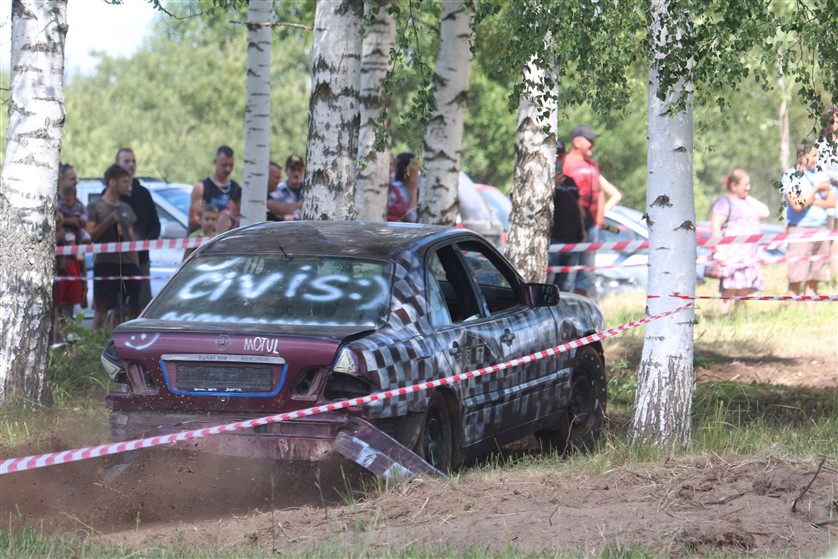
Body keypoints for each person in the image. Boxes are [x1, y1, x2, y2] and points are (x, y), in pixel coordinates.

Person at [86, 164, 142, 331]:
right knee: (101, 312)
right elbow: (90, 236)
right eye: (124, 181)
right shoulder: (95, 206)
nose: (128, 185)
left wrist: (136, 265)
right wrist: (108, 221)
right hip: (105, 264)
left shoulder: (126, 208)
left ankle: (117, 341)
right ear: (112, 182)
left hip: (127, 264)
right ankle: (95, 342)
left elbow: (132, 240)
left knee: (124, 310)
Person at [709, 169, 770, 313]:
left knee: (744, 290)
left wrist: (746, 196)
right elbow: (715, 226)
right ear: (733, 186)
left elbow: (765, 213)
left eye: (749, 184)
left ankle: (739, 318)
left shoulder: (746, 201)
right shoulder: (724, 202)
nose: (748, 187)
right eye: (745, 185)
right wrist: (719, 250)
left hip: (749, 255)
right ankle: (722, 318)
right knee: (729, 291)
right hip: (732, 255)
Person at [781, 143, 836, 297]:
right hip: (799, 229)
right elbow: (797, 205)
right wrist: (816, 190)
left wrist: (809, 200)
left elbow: (831, 203)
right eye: (813, 156)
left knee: (814, 279)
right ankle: (791, 310)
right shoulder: (790, 176)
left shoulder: (820, 175)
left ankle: (810, 310)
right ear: (801, 156)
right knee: (796, 277)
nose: (816, 159)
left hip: (821, 230)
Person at [115, 148, 161, 309]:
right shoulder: (110, 194)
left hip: (141, 259)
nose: (131, 165)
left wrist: (146, 241)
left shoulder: (143, 193)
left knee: (142, 303)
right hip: (117, 261)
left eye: (133, 161)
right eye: (126, 161)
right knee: (118, 306)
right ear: (117, 164)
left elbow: (155, 225)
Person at [562, 124, 604, 298]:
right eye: (589, 140)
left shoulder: (592, 165)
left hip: (591, 226)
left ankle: (581, 303)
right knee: (567, 270)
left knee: (587, 271)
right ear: (577, 142)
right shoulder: (565, 162)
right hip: (570, 227)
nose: (593, 144)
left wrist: (599, 218)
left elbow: (599, 191)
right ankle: (564, 302)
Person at [550, 140, 586, 292]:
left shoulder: (570, 181)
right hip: (554, 240)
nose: (558, 158)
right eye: (555, 155)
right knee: (549, 281)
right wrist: (552, 186)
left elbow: (579, 208)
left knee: (566, 284)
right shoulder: (544, 183)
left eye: (561, 155)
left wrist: (582, 229)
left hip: (573, 241)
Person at [190, 145, 242, 231]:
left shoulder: (235, 187)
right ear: (215, 162)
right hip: (206, 237)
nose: (228, 169)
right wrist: (215, 224)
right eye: (224, 165)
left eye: (231, 165)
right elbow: (193, 220)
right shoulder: (202, 187)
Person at [268, 154, 305, 221]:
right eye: (293, 169)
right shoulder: (277, 189)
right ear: (286, 171)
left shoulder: (311, 190)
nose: (296, 173)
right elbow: (277, 209)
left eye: (299, 170)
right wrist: (301, 204)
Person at [387, 152, 419, 222]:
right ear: (405, 169)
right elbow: (412, 219)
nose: (418, 168)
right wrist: (413, 190)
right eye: (414, 165)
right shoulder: (396, 190)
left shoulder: (421, 186)